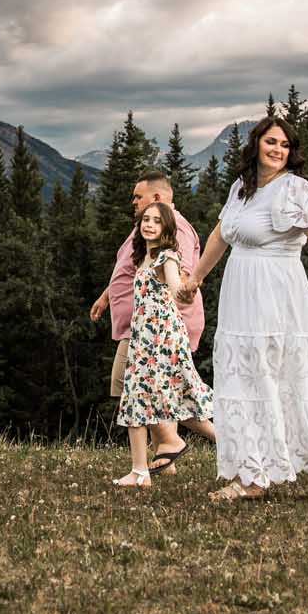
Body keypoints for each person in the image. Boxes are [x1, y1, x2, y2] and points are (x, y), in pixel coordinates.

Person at [179, 117, 308, 502]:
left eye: (285, 145)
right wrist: (195, 280)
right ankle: (254, 473)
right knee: (247, 377)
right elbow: (220, 236)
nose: (277, 149)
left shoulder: (297, 189)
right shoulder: (242, 187)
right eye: (271, 142)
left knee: (294, 374)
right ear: (256, 144)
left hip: (278, 293)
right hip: (240, 293)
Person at [88, 170, 213, 473]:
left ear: (157, 198)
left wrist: (183, 289)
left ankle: (172, 444)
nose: (134, 201)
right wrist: (107, 297)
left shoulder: (175, 226)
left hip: (155, 329)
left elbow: (178, 271)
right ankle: (165, 455)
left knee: (140, 389)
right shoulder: (146, 229)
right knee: (155, 391)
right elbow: (131, 268)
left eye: (138, 196)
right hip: (140, 325)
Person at [111, 201, 216, 488]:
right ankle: (139, 471)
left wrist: (187, 288)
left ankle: (234, 445)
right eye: (146, 219)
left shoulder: (166, 256)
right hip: (144, 337)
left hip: (162, 338)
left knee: (179, 397)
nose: (149, 225)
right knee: (137, 397)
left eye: (156, 221)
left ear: (167, 228)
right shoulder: (143, 256)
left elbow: (174, 286)